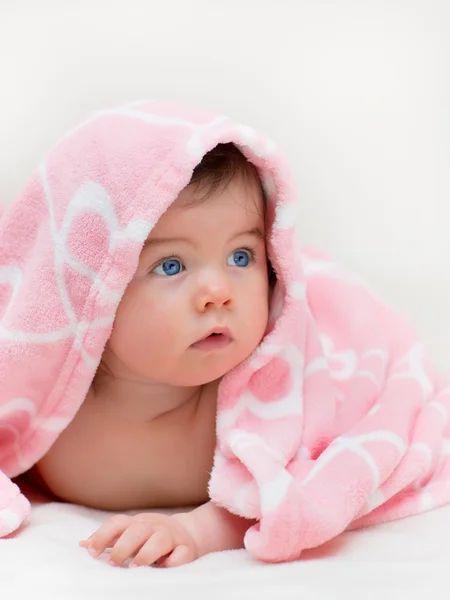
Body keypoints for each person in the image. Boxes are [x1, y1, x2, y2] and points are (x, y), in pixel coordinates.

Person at [27, 142, 272, 568]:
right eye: (171, 265)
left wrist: (196, 530)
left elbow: (293, 489)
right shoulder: (42, 396)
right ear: (92, 286)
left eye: (241, 256)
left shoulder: (266, 398)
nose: (218, 292)